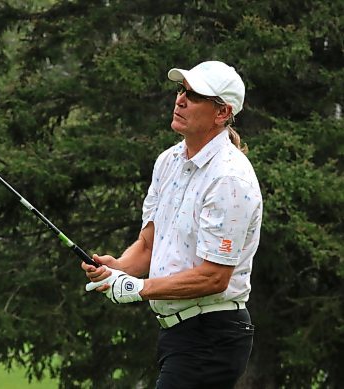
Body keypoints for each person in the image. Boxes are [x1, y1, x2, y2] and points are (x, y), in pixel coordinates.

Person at [82, 60, 263, 388]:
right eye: (181, 91)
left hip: (213, 336)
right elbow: (150, 245)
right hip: (178, 334)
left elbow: (214, 277)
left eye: (193, 96)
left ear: (222, 113)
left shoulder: (229, 178)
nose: (180, 99)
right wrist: (119, 270)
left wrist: (139, 288)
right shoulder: (169, 162)